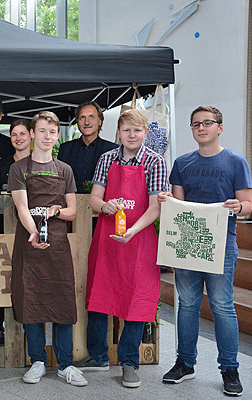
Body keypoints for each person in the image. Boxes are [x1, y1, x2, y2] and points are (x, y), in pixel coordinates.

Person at [158, 106, 251, 397]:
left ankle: (229, 368)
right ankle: (185, 362)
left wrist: (239, 207)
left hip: (222, 245)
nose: (201, 128)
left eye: (207, 123)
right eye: (196, 124)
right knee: (186, 304)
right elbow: (179, 206)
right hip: (187, 244)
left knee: (222, 305)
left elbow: (248, 204)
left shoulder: (236, 162)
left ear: (220, 127)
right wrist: (167, 200)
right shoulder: (182, 163)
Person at [77, 109, 168, 388]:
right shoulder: (106, 159)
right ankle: (99, 356)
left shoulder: (155, 162)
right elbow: (94, 197)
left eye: (137, 131)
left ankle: (129, 362)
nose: (131, 135)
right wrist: (104, 206)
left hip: (139, 240)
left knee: (137, 301)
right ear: (118, 132)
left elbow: (155, 207)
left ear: (145, 133)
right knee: (99, 294)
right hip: (107, 239)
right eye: (127, 130)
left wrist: (132, 231)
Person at [8, 111, 87, 387]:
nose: (47, 137)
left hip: (57, 244)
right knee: (31, 298)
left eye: (52, 132)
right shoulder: (20, 169)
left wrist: (58, 211)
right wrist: (33, 231)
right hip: (29, 242)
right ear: (32, 134)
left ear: (57, 136)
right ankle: (38, 361)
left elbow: (73, 211)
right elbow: (21, 206)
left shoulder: (64, 169)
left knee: (62, 298)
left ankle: (66, 364)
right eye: (41, 131)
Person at [58, 101, 118, 193]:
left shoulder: (113, 150)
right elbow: (60, 182)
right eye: (82, 118)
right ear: (77, 122)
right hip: (70, 204)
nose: (87, 122)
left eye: (91, 117)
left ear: (100, 121)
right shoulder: (65, 149)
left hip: (103, 205)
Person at [0, 118, 32, 193]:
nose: (18, 138)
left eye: (22, 134)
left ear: (31, 135)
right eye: (14, 135)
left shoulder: (40, 164)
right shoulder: (0, 166)